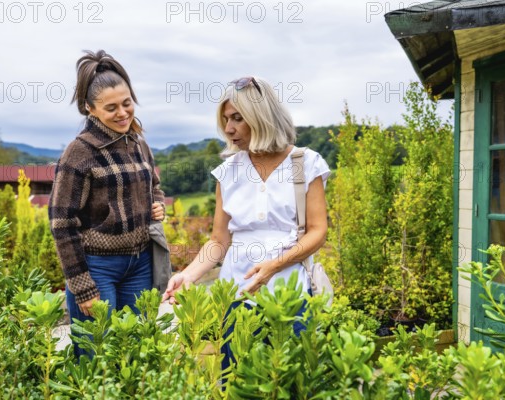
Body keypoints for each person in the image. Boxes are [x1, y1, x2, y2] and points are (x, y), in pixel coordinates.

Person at [162, 76, 330, 370]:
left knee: (292, 381)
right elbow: (219, 242)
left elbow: (318, 231)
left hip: (291, 297)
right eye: (226, 119)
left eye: (238, 118)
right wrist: (188, 275)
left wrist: (274, 266)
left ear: (262, 116)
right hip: (236, 298)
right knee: (238, 380)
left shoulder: (305, 163)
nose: (229, 128)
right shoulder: (228, 172)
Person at [48, 50, 166, 358]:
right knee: (95, 357)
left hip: (139, 264)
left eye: (127, 103)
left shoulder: (139, 143)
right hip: (97, 267)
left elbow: (154, 184)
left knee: (136, 353)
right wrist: (82, 286)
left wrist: (157, 204)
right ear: (90, 109)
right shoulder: (80, 152)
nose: (123, 113)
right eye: (111, 108)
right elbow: (62, 224)